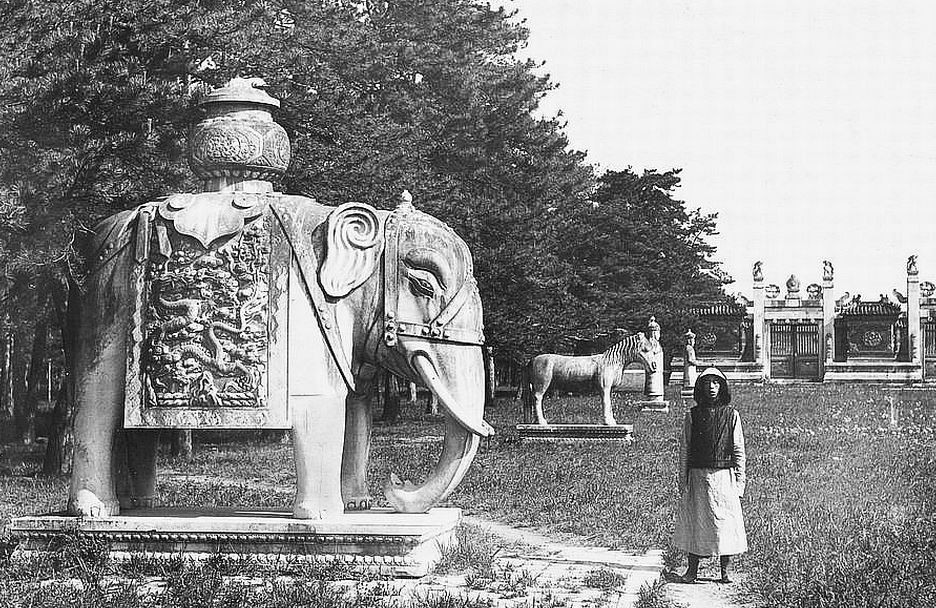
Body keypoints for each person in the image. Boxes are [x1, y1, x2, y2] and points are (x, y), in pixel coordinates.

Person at [670, 367, 747, 584]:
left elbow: (739, 450)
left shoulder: (732, 415)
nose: (711, 388)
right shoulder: (692, 416)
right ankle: (692, 570)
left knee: (725, 522)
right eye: (707, 383)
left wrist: (739, 483)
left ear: (722, 387)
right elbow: (685, 448)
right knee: (697, 520)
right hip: (698, 476)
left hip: (724, 477)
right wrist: (683, 480)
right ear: (701, 387)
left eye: (716, 383)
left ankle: (725, 571)